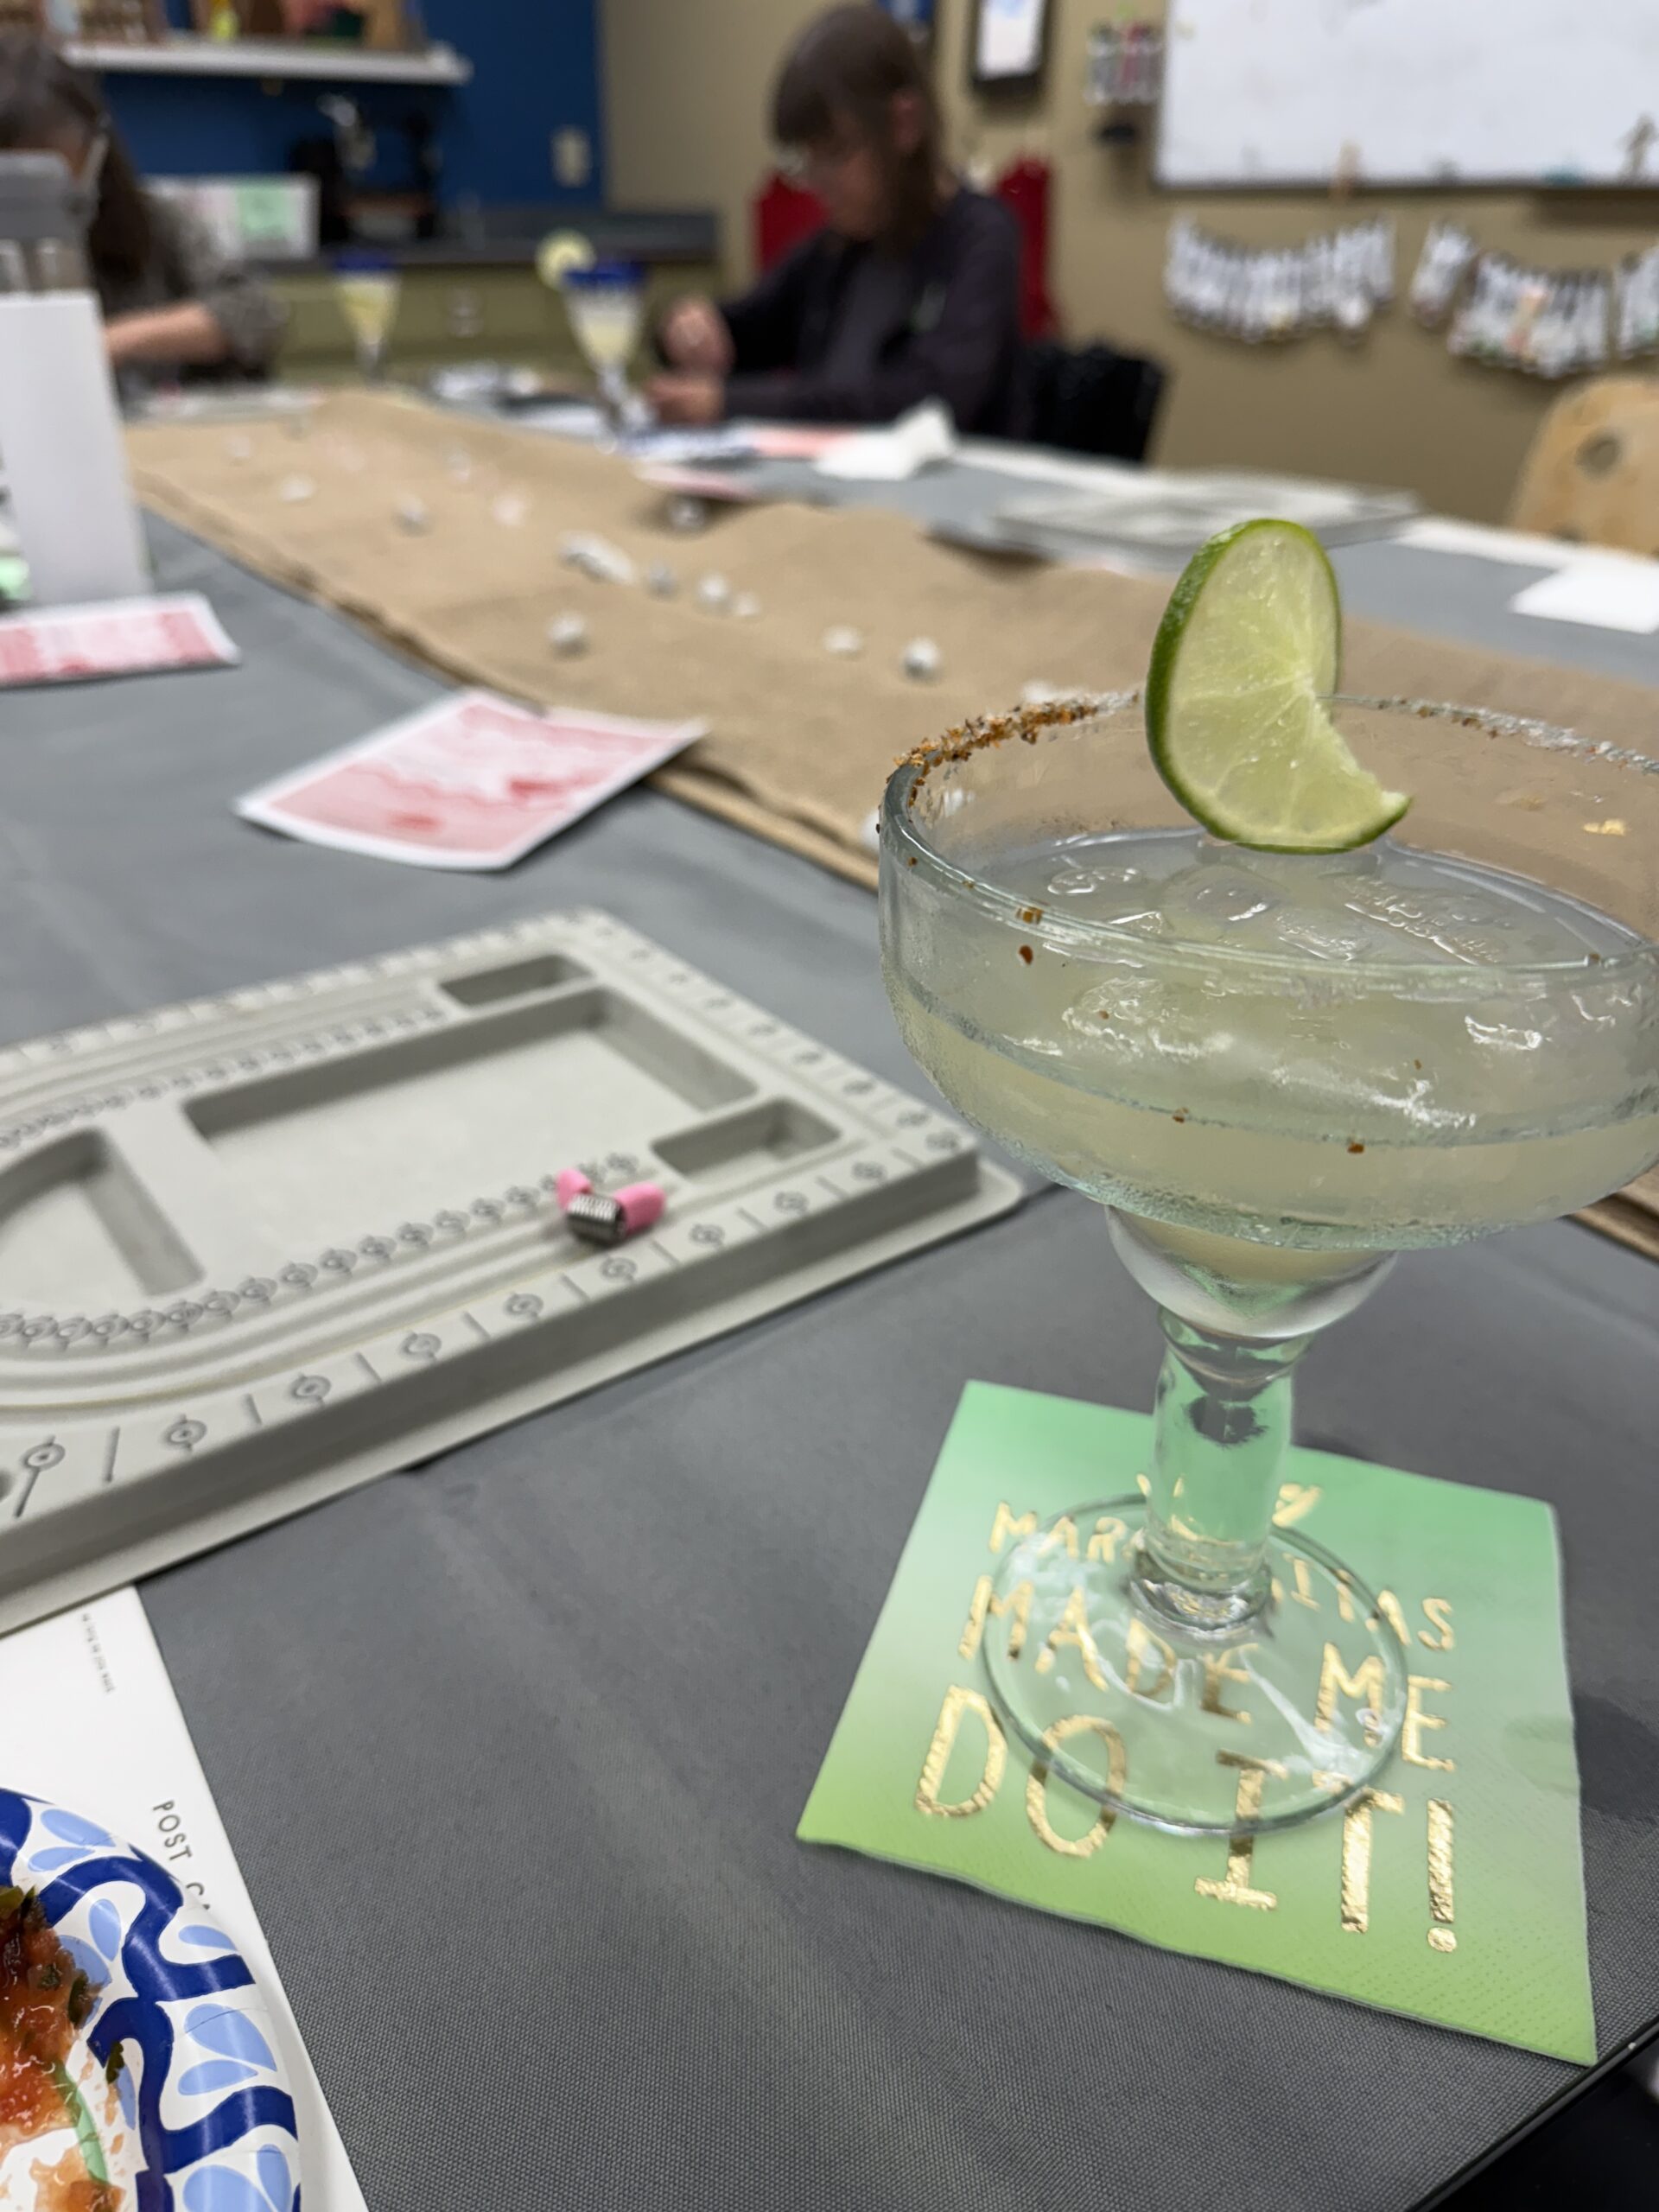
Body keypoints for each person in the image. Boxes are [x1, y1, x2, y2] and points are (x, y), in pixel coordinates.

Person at [650, 4, 1025, 437]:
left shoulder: (981, 238)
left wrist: (730, 402)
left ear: (904, 123)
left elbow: (929, 400)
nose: (817, 182)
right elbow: (743, 328)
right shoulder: (837, 249)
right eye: (807, 160)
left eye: (835, 153)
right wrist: (684, 328)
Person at [0, 31, 283, 386]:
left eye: (52, 172)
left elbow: (256, 310)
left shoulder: (153, 221)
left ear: (94, 151)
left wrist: (112, 341)